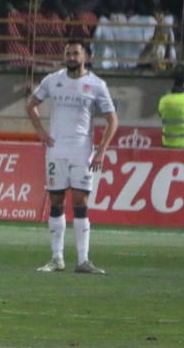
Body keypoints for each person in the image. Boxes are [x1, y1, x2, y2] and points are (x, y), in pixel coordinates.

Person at [26, 40, 120, 275]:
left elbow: (112, 120)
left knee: (80, 202)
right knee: (56, 202)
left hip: (82, 150)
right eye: (68, 52)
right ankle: (57, 258)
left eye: (75, 53)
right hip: (56, 149)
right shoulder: (53, 79)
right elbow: (32, 105)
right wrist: (41, 131)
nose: (70, 56)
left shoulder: (96, 85)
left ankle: (83, 260)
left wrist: (101, 150)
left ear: (86, 56)